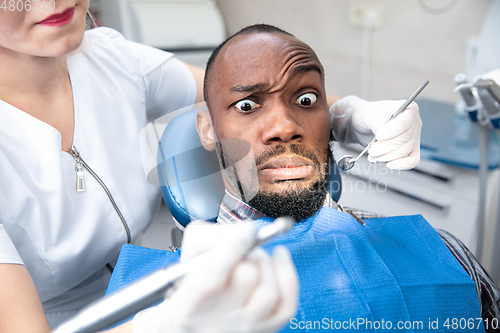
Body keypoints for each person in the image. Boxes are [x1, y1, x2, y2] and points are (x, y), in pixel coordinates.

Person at [0, 0, 423, 330]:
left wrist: (349, 115)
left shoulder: (112, 59)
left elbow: (251, 91)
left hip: (146, 283)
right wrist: (168, 326)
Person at [108, 24, 500, 332]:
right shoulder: (152, 309)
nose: (285, 125)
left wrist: (352, 114)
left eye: (306, 99)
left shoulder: (442, 255)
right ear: (208, 130)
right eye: (247, 105)